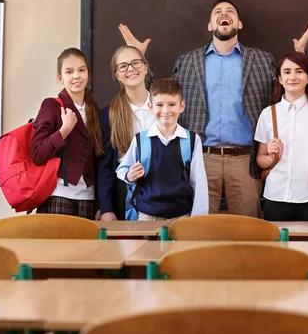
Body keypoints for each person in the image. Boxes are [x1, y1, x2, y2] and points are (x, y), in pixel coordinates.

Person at [118, 0, 308, 217]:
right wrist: (139, 58)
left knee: (247, 231)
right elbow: (161, 94)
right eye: (218, 12)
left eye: (230, 11)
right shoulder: (188, 61)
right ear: (210, 25)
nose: (224, 14)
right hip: (201, 158)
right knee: (199, 230)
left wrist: (300, 56)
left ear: (239, 23)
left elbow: (288, 92)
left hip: (246, 159)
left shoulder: (261, 60)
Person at [255, 52, 308, 221]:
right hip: (275, 197)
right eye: (287, 72)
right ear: (279, 78)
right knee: (277, 247)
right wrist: (270, 157)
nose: (293, 76)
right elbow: (260, 160)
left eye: (299, 71)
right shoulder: (268, 114)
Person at [116, 78, 208, 220]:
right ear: (151, 107)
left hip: (181, 216)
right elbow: (122, 170)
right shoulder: (141, 139)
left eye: (172, 104)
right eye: (159, 105)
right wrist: (129, 175)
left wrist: (198, 219)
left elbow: (199, 183)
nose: (166, 110)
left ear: (181, 106)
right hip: (146, 215)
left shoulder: (191, 140)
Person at [31, 48, 103, 219]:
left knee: (88, 247)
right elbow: (37, 153)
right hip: (57, 195)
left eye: (81, 70)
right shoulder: (52, 105)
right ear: (60, 78)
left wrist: (101, 204)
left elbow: (98, 160)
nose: (76, 76)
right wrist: (64, 131)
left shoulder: (95, 111)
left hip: (88, 198)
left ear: (88, 74)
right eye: (69, 72)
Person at [97, 46, 155, 221]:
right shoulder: (110, 114)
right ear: (117, 74)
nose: (130, 69)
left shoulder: (164, 107)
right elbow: (105, 167)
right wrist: (106, 208)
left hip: (161, 188)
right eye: (123, 66)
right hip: (125, 192)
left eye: (135, 63)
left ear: (145, 67)